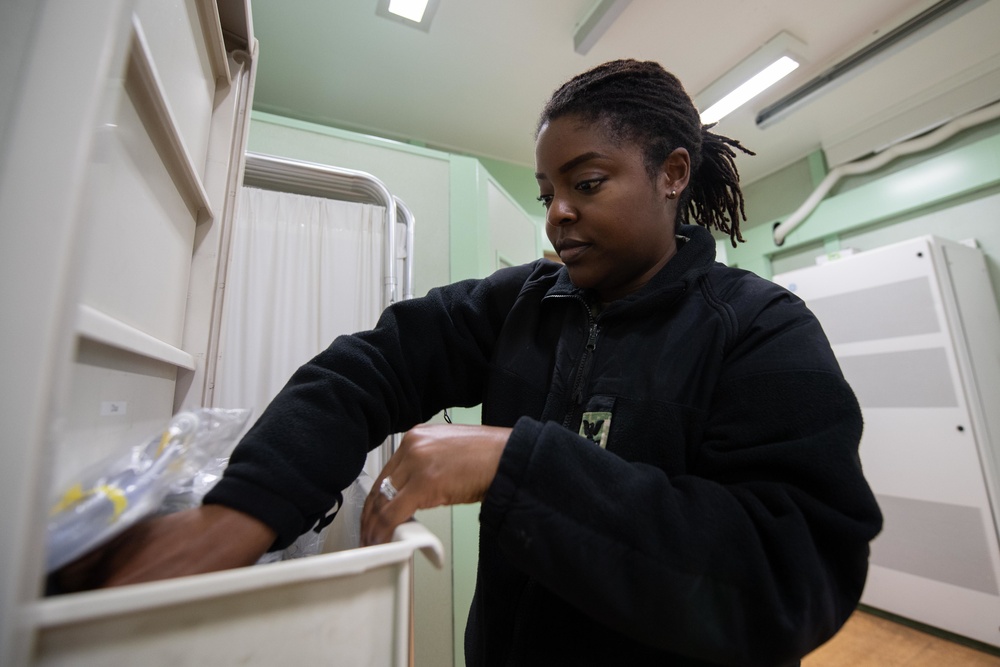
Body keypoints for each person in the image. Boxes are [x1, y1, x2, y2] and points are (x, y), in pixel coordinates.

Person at [58, 59, 882, 666]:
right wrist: (241, 512)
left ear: (672, 175)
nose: (558, 214)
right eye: (546, 192)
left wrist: (517, 461)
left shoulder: (760, 329)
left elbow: (792, 576)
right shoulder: (522, 303)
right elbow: (368, 367)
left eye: (587, 183)